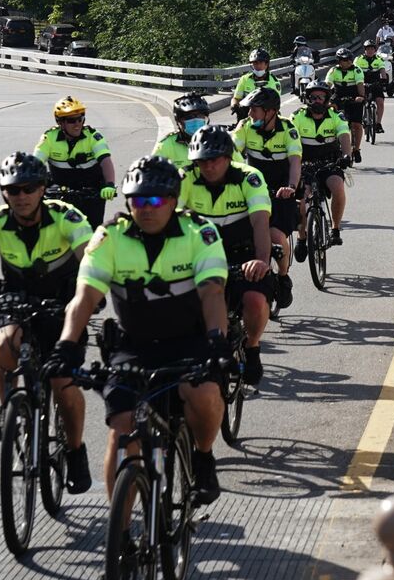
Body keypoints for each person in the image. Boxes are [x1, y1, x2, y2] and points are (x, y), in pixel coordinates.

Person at [50, 156, 229, 504]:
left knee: (205, 394)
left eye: (155, 200)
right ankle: (122, 535)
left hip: (189, 341)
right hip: (133, 345)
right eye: (136, 200)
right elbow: (85, 297)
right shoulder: (109, 236)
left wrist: (217, 341)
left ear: (175, 200)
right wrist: (67, 345)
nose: (145, 209)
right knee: (122, 434)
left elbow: (212, 293)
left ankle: (204, 457)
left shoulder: (199, 233)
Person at [0, 152, 93, 492]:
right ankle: (10, 410)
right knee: (3, 346)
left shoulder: (66, 216)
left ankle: (75, 451)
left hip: (62, 307)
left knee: (63, 384)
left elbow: (91, 258)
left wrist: (88, 297)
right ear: (3, 192)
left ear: (43, 187)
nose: (21, 195)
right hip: (14, 302)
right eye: (13, 190)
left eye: (29, 188)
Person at [178, 126, 273, 385]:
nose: (208, 166)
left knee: (254, 300)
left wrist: (262, 261)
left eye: (214, 160)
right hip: (202, 255)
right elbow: (170, 223)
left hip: (244, 254)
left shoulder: (249, 177)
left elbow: (260, 223)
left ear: (229, 157)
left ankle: (252, 347)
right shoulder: (184, 178)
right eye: (201, 161)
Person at [232, 86, 301, 303]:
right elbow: (232, 151)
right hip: (252, 189)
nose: (250, 114)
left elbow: (295, 162)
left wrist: (290, 186)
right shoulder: (245, 126)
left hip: (280, 191)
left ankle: (283, 277)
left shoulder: (289, 129)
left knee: (277, 237)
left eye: (255, 110)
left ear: (270, 111)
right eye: (249, 110)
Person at [34, 96, 116, 228]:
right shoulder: (49, 138)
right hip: (60, 192)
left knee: (93, 232)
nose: (77, 124)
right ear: (60, 122)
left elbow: (105, 161)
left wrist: (110, 185)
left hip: (91, 192)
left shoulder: (93, 137)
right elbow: (35, 164)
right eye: (72, 120)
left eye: (80, 118)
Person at [293, 82, 354, 245]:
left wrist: (347, 155)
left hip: (329, 164)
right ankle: (301, 237)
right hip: (304, 165)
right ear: (308, 99)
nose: (317, 100)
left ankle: (335, 229)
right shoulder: (297, 117)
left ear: (327, 99)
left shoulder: (336, 117)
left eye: (321, 97)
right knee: (302, 199)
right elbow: (289, 138)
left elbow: (344, 136)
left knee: (338, 187)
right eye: (313, 97)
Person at [154, 92, 213, 170]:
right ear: (179, 121)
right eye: (189, 117)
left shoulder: (215, 143)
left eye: (200, 116)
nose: (195, 120)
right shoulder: (166, 146)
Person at [328, 48, 368, 163]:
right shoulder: (333, 70)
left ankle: (356, 149)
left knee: (356, 124)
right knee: (332, 114)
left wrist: (361, 96)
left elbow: (360, 84)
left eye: (348, 59)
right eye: (343, 60)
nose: (347, 62)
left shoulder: (357, 70)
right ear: (339, 61)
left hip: (354, 96)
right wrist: (326, 101)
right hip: (338, 95)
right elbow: (328, 84)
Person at [231, 48, 282, 122]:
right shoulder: (244, 79)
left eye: (260, 63)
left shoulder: (274, 82)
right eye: (255, 63)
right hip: (246, 116)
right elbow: (236, 98)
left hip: (266, 116)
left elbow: (275, 105)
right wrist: (234, 106)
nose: (257, 66)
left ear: (266, 64)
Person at [354, 38, 388, 133]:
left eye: (372, 49)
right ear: (365, 50)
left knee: (380, 102)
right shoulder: (358, 59)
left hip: (375, 83)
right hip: (362, 83)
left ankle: (378, 123)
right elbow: (354, 70)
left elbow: (382, 70)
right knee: (359, 103)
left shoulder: (379, 59)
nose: (370, 51)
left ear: (375, 50)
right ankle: (359, 121)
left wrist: (384, 80)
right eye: (368, 49)